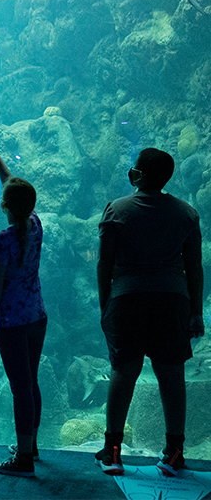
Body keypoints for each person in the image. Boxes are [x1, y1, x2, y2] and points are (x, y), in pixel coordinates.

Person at [96, 148, 204, 477]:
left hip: (127, 299)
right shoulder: (187, 213)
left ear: (138, 176)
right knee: (171, 374)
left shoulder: (117, 210)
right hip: (173, 301)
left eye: (134, 169)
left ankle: (113, 451)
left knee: (124, 371)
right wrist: (196, 311)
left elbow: (105, 264)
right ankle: (174, 452)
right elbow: (194, 268)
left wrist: (106, 306)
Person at [0, 130, 48, 478]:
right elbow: (14, 187)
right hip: (36, 316)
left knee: (20, 389)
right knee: (30, 382)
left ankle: (22, 460)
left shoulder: (2, 239)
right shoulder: (35, 224)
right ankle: (30, 444)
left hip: (11, 321)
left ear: (3, 206)